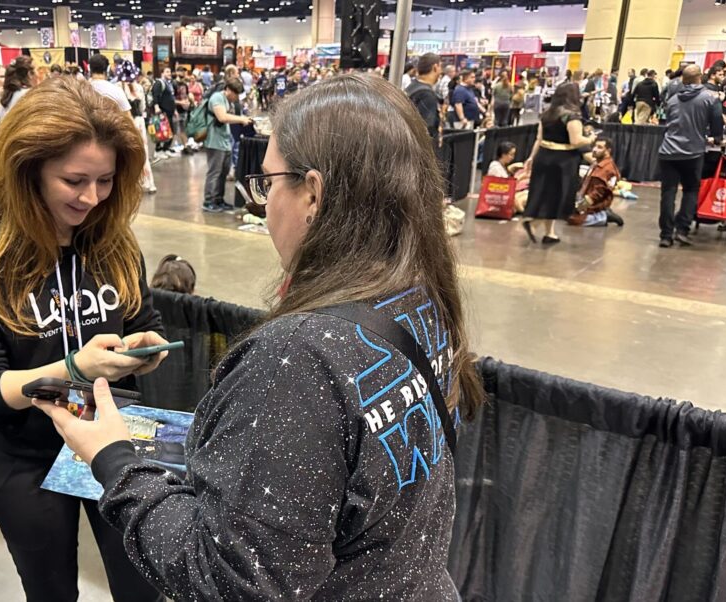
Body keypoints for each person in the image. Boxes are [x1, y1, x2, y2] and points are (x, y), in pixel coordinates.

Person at [32, 72, 483, 601]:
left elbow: (228, 580)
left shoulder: (298, 361)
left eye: (268, 183)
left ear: (312, 193)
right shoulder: (419, 299)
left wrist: (114, 460)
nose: (263, 204)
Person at [0, 76, 167, 602]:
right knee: (52, 591)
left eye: (106, 181)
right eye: (74, 180)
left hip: (115, 442)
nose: (92, 198)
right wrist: (73, 370)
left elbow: (140, 319)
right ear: (28, 170)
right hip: (27, 458)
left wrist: (142, 349)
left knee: (144, 588)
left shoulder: (114, 243)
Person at [657, 65, 723, 248]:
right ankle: (682, 229)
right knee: (691, 190)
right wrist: (716, 138)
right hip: (692, 153)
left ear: (683, 79)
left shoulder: (673, 100)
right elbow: (717, 122)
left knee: (668, 193)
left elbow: (669, 122)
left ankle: (665, 235)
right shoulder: (710, 98)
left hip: (668, 151)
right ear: (700, 77)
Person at [521, 84, 595, 245]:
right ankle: (534, 224)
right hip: (562, 161)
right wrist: (590, 139)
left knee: (546, 194)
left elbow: (539, 139)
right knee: (557, 196)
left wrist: (531, 158)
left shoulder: (546, 114)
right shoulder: (572, 116)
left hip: (543, 156)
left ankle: (550, 233)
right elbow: (576, 141)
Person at [202, 78, 253, 213]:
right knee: (214, 172)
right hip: (214, 141)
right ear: (228, 90)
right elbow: (222, 117)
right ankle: (208, 201)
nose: (236, 97)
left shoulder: (227, 100)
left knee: (223, 172)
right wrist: (241, 119)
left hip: (224, 141)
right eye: (235, 94)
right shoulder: (217, 98)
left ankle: (218, 199)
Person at [113, 60, 156, 194]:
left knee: (123, 154)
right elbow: (143, 107)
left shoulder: (116, 87)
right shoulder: (138, 87)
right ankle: (149, 183)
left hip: (122, 123)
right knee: (142, 153)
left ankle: (127, 185)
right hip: (138, 122)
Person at [569, 136, 624, 227]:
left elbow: (598, 193)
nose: (594, 149)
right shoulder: (596, 163)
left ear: (608, 151)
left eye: (599, 147)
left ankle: (604, 217)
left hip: (593, 206)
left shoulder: (608, 169)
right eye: (594, 146)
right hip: (584, 198)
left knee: (573, 219)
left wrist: (580, 206)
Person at [405, 53, 441, 138]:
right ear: (435, 67)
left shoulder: (411, 87)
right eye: (440, 67)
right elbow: (426, 129)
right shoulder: (427, 95)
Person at [151, 67, 177, 157]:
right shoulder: (159, 83)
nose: (169, 73)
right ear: (162, 73)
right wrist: (156, 107)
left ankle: (166, 148)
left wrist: (175, 110)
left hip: (169, 112)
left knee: (170, 131)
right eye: (167, 71)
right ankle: (158, 150)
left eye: (170, 71)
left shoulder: (169, 84)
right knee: (160, 131)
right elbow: (155, 95)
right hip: (162, 112)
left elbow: (172, 98)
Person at [173, 67, 193, 153]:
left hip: (184, 110)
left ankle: (185, 145)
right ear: (177, 72)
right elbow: (171, 98)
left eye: (185, 72)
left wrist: (189, 101)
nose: (184, 74)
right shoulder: (174, 84)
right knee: (176, 130)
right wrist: (180, 103)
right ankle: (184, 145)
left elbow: (187, 95)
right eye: (182, 72)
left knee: (182, 129)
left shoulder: (185, 84)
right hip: (176, 110)